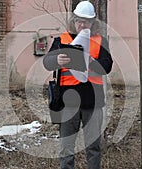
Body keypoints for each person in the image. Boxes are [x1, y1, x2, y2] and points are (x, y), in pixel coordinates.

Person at [43, 1, 113, 169]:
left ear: (92, 23)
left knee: (93, 147)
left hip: (92, 102)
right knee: (66, 147)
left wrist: (91, 61)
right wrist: (56, 60)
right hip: (68, 103)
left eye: (86, 21)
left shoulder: (100, 41)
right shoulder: (61, 40)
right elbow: (47, 62)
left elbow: (107, 66)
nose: (82, 25)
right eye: (79, 21)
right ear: (73, 21)